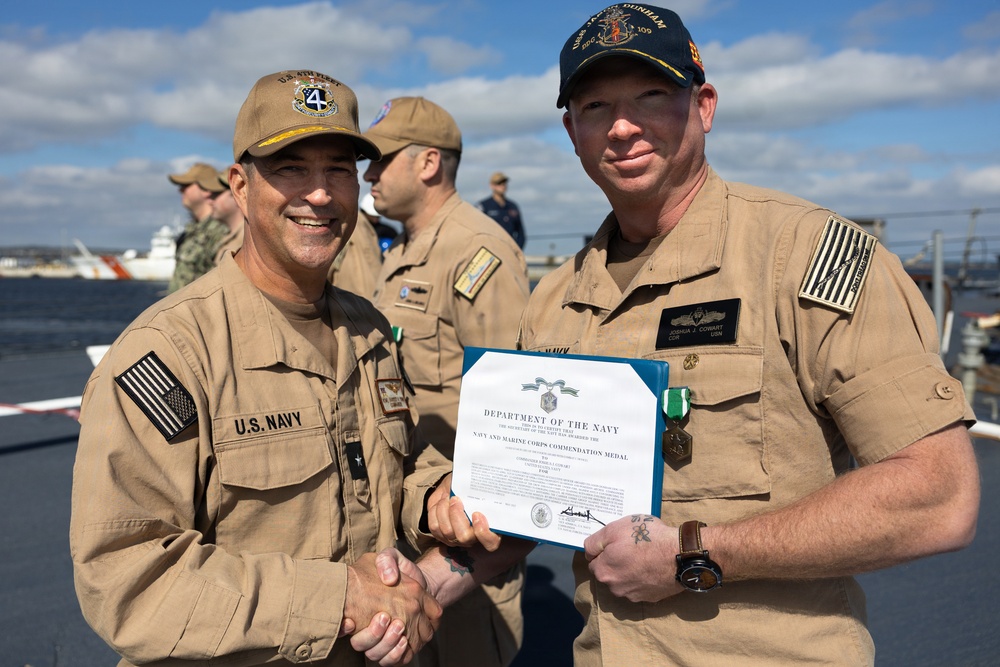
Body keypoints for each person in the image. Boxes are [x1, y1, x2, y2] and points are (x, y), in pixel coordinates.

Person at [507, 4, 981, 665]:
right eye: (595, 107)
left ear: (703, 105)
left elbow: (938, 494)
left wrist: (694, 554)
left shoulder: (803, 255)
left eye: (651, 96)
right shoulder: (554, 301)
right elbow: (529, 492)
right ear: (571, 130)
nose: (621, 126)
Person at [70, 68, 530, 667]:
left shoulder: (366, 328)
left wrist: (432, 497)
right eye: (291, 167)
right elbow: (127, 581)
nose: (319, 193)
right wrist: (338, 595)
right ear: (239, 185)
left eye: (338, 169)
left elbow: (389, 462)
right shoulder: (171, 354)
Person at [362, 96, 531, 667]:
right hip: (411, 513)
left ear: (428, 163)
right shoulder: (405, 249)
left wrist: (489, 546)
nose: (367, 175)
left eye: (381, 160)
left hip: (463, 536)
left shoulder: (476, 251)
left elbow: (519, 406)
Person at [167, 162, 230, 292]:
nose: (180, 190)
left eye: (186, 185)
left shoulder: (222, 231)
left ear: (206, 189)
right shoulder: (191, 232)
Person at [326, 191, 385, 297]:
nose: (376, 220)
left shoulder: (363, 229)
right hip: (355, 298)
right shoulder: (354, 228)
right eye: (374, 216)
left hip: (353, 299)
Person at [477, 172, 525, 248]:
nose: (503, 186)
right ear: (492, 185)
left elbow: (521, 233)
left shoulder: (513, 206)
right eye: (499, 183)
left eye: (504, 183)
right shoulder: (484, 206)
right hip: (491, 249)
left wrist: (516, 251)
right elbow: (477, 231)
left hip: (509, 250)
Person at [211, 168, 245, 265]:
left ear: (238, 192)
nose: (210, 201)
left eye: (216, 194)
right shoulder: (230, 236)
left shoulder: (246, 239)